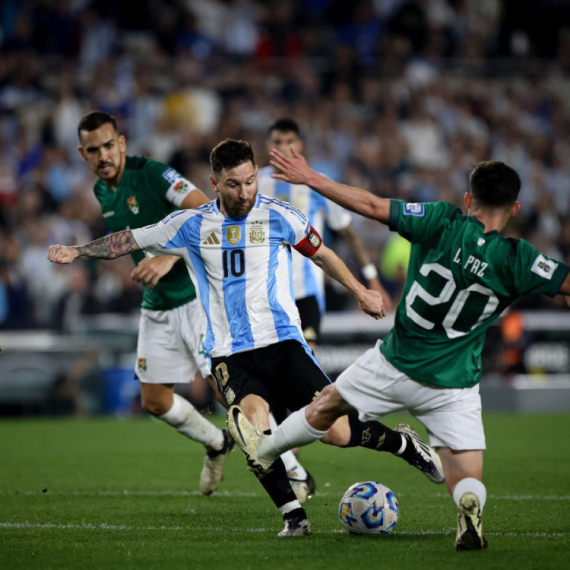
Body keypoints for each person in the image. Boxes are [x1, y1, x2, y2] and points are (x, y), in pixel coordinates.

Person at [48, 139, 444, 537]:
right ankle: (293, 515)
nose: (246, 193)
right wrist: (78, 251)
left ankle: (403, 445)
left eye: (251, 181)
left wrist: (360, 291)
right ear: (214, 183)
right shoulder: (191, 225)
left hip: (284, 344)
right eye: (234, 185)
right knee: (251, 430)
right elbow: (128, 240)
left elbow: (320, 253)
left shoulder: (278, 216)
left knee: (338, 433)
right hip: (230, 354)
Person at [229, 148, 570, 550]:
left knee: (326, 406)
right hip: (455, 384)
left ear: (468, 199)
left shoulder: (442, 221)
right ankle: (468, 505)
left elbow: (373, 206)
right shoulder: (519, 258)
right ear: (514, 207)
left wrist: (311, 177)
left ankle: (267, 449)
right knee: (464, 477)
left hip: (395, 362)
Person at [76, 111, 233, 495]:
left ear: (122, 143)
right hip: (157, 304)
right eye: (93, 150)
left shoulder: (151, 173)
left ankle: (293, 473)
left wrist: (170, 255)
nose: (103, 155)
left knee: (226, 388)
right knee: (155, 400)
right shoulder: (102, 191)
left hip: (196, 295)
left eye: (109, 145)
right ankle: (216, 443)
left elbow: (205, 210)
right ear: (84, 154)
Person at [258, 118, 392, 350]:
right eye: (277, 141)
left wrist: (371, 278)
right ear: (267, 144)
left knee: (307, 359)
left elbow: (348, 233)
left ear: (300, 145)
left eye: (289, 141)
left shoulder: (316, 183)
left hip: (306, 291)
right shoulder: (254, 184)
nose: (282, 147)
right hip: (265, 293)